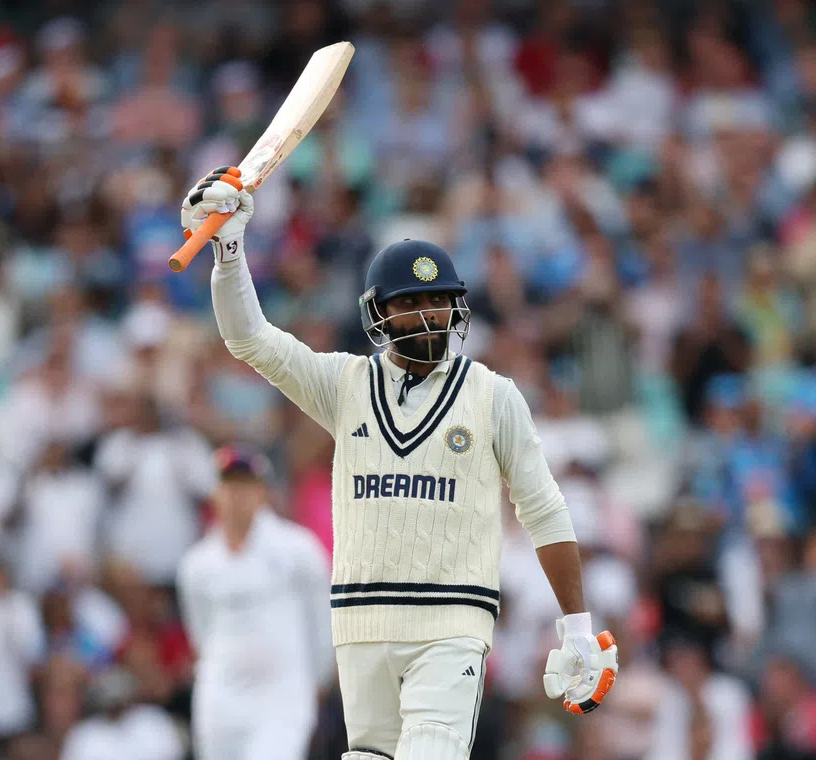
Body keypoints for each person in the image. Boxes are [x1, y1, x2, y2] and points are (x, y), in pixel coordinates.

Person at [179, 166, 619, 760]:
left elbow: (544, 509)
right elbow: (249, 339)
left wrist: (576, 626)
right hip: (362, 626)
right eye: (411, 303)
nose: (430, 314)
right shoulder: (345, 385)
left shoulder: (492, 396)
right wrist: (228, 249)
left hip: (451, 625)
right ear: (379, 313)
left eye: (440, 300)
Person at [176, 445, 334, 760]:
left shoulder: (298, 551)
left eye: (246, 486)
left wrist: (317, 677)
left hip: (282, 697)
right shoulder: (197, 566)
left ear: (262, 492)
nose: (237, 496)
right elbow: (201, 632)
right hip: (221, 700)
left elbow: (322, 617)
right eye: (229, 486)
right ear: (215, 494)